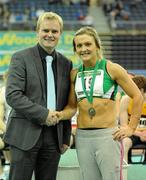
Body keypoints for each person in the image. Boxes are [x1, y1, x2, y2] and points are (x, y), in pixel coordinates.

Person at [53, 26, 143, 180]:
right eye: (79, 46)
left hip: (108, 136)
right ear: (75, 49)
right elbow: (72, 107)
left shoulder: (112, 69)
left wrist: (131, 127)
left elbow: (137, 96)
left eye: (88, 44)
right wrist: (59, 115)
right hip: (83, 138)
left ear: (97, 45)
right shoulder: (74, 74)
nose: (84, 49)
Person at [4, 12, 72, 180]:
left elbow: (66, 102)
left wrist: (65, 136)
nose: (50, 35)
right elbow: (13, 95)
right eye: (45, 30)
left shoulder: (66, 63)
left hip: (54, 137)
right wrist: (44, 115)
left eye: (55, 32)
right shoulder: (20, 58)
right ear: (37, 32)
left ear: (60, 34)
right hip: (24, 135)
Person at [120, 75, 146, 163]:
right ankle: (124, 172)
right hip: (132, 133)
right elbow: (123, 126)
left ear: (142, 90)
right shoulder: (125, 100)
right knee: (124, 143)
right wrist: (139, 134)